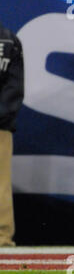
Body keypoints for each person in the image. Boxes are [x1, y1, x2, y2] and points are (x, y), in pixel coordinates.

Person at [0, 23, 24, 247]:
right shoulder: (8, 39)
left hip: (0, 125)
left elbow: (14, 87)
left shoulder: (9, 40)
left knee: (0, 183)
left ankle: (2, 237)